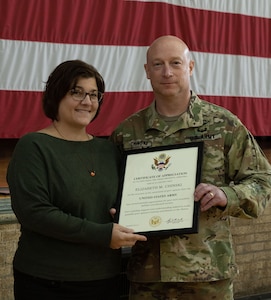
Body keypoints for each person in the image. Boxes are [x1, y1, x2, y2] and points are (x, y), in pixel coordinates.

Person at [110, 36, 271, 300]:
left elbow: (263, 181)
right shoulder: (127, 133)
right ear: (147, 71)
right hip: (149, 278)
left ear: (191, 67)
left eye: (175, 63)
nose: (167, 72)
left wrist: (226, 196)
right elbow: (108, 190)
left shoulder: (224, 125)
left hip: (208, 276)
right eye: (158, 64)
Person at [7, 59, 147, 300]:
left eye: (94, 95)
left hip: (105, 278)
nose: (87, 102)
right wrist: (103, 235)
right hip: (47, 281)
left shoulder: (109, 151)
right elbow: (35, 213)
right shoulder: (34, 146)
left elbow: (124, 202)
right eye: (77, 92)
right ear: (56, 95)